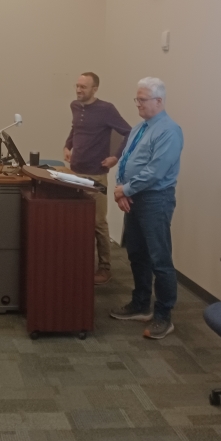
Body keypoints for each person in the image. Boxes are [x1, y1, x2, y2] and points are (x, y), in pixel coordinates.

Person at [110, 77, 184, 340]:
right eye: (137, 99)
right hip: (134, 198)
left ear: (159, 101)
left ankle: (164, 315)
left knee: (159, 260)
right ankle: (141, 304)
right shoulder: (140, 128)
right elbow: (126, 160)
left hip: (155, 200)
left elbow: (156, 170)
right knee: (137, 254)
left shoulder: (169, 131)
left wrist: (125, 190)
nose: (138, 104)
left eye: (142, 100)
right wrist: (121, 189)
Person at [63, 72, 132, 285]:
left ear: (95, 89)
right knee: (75, 221)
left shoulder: (106, 109)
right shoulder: (75, 106)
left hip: (96, 175)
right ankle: (79, 262)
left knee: (98, 223)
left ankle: (105, 268)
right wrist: (68, 145)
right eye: (77, 86)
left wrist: (115, 158)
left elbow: (128, 132)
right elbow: (75, 128)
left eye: (83, 87)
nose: (78, 90)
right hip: (75, 171)